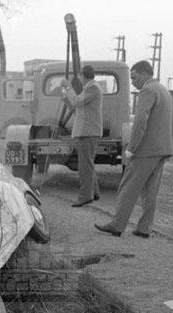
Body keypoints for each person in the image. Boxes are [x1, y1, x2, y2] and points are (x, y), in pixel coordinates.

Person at [94, 60, 173, 238]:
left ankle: (117, 225)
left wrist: (131, 147)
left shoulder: (147, 90)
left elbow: (140, 122)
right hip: (162, 149)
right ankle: (144, 228)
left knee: (127, 187)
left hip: (146, 150)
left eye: (135, 77)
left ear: (145, 74)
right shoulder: (164, 91)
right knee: (150, 191)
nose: (133, 82)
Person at [61, 65, 102, 207]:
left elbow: (77, 101)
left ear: (83, 76)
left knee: (85, 166)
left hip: (88, 132)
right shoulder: (90, 89)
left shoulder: (93, 88)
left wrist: (68, 88)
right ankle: (94, 192)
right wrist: (66, 98)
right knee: (87, 164)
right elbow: (76, 106)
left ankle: (85, 196)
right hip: (86, 132)